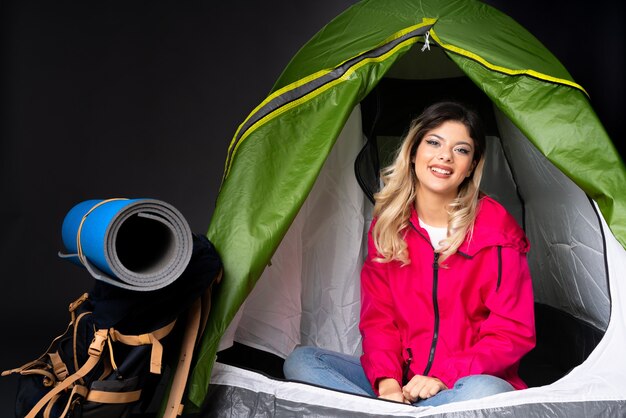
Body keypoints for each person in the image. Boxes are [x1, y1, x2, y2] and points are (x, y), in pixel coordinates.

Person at [283, 101, 536, 407]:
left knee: (489, 393)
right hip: (403, 380)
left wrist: (443, 376)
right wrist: (388, 384)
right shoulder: (389, 225)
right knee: (302, 362)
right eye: (434, 142)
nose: (445, 156)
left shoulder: (496, 229)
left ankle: (389, 414)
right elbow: (379, 320)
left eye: (461, 149)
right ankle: (396, 412)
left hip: (463, 383)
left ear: (472, 166)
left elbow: (512, 332)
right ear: (414, 152)